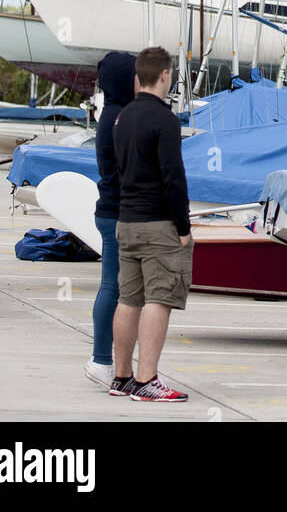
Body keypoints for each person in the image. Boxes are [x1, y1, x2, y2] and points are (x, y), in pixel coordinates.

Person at [110, 46, 192, 402]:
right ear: (164, 75)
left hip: (126, 220)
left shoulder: (121, 117)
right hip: (158, 223)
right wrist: (184, 228)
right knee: (160, 298)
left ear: (136, 78)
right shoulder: (165, 120)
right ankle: (147, 381)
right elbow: (173, 177)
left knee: (128, 299)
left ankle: (122, 376)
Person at [84, 51, 137, 388]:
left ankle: (109, 359)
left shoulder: (113, 114)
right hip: (117, 213)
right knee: (113, 288)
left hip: (110, 210)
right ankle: (101, 359)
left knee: (116, 288)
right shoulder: (119, 118)